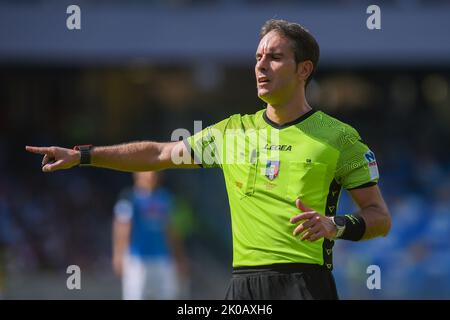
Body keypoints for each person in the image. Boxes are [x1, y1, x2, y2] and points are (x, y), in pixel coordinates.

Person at [26, 19, 391, 300]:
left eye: (275, 57)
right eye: (258, 57)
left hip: (305, 283)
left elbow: (379, 217)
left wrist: (336, 225)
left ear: (304, 70)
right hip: (243, 285)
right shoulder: (232, 133)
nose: (261, 66)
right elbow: (158, 153)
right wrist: (84, 156)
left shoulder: (339, 137)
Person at [112, 171, 190, 300]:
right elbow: (122, 228)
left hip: (163, 259)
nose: (151, 175)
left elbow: (172, 231)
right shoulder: (129, 198)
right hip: (137, 260)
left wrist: (179, 257)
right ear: (137, 174)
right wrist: (119, 254)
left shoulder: (165, 198)